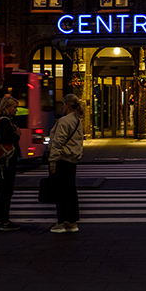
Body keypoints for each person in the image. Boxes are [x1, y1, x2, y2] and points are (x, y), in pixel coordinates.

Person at [49, 93, 85, 233]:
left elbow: (58, 142)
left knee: (61, 193)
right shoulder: (77, 120)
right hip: (72, 160)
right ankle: (72, 222)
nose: (62, 106)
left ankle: (60, 223)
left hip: (62, 160)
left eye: (63, 104)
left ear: (68, 105)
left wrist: (52, 162)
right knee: (70, 191)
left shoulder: (64, 121)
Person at [0, 95, 21, 231]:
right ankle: (5, 221)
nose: (16, 110)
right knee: (6, 191)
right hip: (7, 161)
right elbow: (5, 139)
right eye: (14, 107)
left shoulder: (1, 121)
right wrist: (17, 135)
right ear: (6, 107)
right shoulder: (5, 122)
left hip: (2, 161)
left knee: (2, 191)